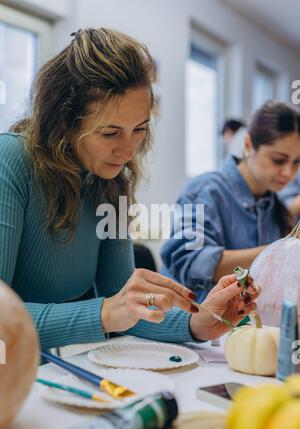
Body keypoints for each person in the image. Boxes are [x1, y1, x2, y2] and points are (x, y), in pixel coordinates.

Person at [0, 28, 259, 351]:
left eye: (139, 130)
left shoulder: (109, 181)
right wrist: (106, 312)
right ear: (63, 123)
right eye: (110, 133)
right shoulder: (10, 160)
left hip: (62, 367)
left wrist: (200, 322)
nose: (128, 151)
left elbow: (126, 305)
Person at [161, 101, 300, 302]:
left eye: (297, 162)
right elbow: (189, 262)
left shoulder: (274, 206)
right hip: (186, 324)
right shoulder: (203, 191)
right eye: (278, 160)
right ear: (248, 145)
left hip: (242, 326)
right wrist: (278, 252)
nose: (288, 172)